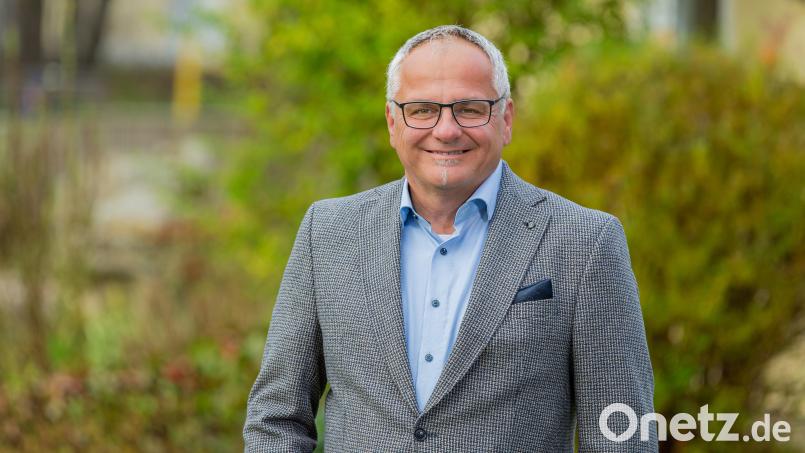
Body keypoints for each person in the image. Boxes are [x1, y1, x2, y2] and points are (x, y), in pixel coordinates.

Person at [244, 25, 657, 452]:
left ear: (506, 118)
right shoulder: (328, 233)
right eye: (422, 110)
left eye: (470, 108)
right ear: (392, 122)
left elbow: (621, 435)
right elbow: (276, 419)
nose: (446, 130)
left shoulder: (586, 243)